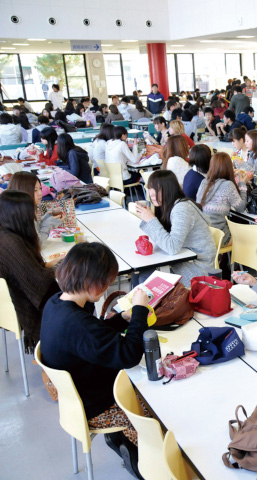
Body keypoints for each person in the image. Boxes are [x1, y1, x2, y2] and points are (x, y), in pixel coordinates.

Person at [40, 242, 149, 478]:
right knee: (157, 405)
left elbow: (94, 334)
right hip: (94, 403)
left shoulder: (57, 302)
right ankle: (145, 459)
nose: (109, 285)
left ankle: (121, 439)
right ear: (94, 283)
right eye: (107, 281)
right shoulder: (78, 324)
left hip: (74, 393)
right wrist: (140, 312)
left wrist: (123, 318)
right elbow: (129, 355)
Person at [0, 190, 60, 353]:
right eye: (33, 211)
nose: (35, 215)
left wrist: (53, 264)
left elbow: (29, 270)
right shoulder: (12, 244)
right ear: (21, 216)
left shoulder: (5, 235)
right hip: (19, 307)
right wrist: (60, 267)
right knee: (75, 292)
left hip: (5, 308)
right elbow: (39, 282)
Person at [135, 170, 217, 286]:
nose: (151, 193)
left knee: (145, 277)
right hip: (183, 259)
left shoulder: (182, 209)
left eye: (157, 189)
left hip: (197, 267)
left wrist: (151, 220)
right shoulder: (168, 206)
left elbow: (172, 248)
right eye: (150, 187)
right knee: (142, 273)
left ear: (168, 189)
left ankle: (146, 304)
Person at [196, 152, 248, 245]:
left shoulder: (204, 182)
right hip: (219, 236)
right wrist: (242, 184)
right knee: (246, 238)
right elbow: (241, 208)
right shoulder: (228, 185)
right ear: (229, 167)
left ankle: (223, 259)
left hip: (202, 234)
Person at [7, 171, 63, 244]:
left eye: (40, 188)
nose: (40, 193)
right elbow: (37, 244)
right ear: (22, 191)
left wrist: (47, 217)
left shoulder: (19, 207)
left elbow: (34, 230)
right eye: (35, 190)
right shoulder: (22, 214)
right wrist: (48, 223)